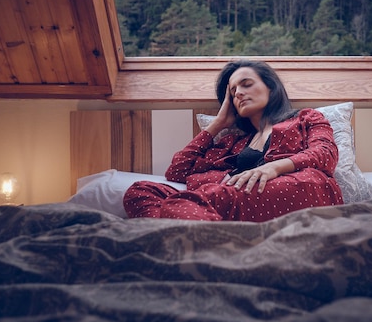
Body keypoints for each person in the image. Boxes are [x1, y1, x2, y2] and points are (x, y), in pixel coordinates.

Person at [123, 60, 343, 222]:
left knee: (181, 205)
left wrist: (274, 168)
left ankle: (185, 228)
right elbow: (178, 171)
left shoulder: (306, 118)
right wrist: (218, 123)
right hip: (234, 199)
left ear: (271, 87)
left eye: (246, 84)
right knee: (141, 191)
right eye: (233, 91)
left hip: (296, 188)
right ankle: (206, 235)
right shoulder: (233, 143)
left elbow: (325, 154)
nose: (238, 93)